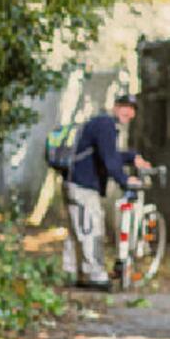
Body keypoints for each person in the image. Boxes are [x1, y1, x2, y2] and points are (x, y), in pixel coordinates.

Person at [61, 94, 152, 291]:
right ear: (115, 107)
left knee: (79, 231)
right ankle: (96, 277)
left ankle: (77, 274)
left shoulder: (101, 124)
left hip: (76, 185)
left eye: (132, 109)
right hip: (82, 187)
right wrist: (125, 180)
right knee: (91, 230)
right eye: (125, 107)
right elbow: (110, 160)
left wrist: (131, 157)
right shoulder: (106, 125)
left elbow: (107, 154)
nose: (129, 112)